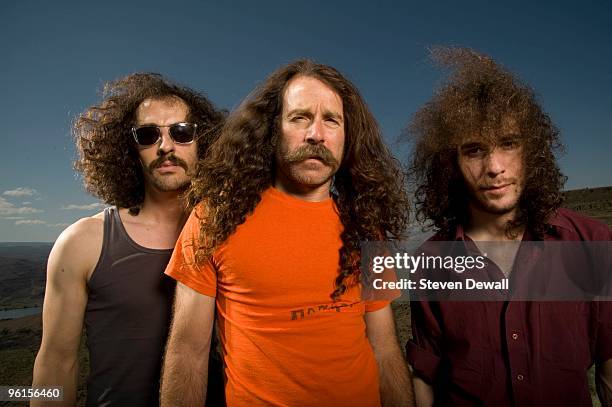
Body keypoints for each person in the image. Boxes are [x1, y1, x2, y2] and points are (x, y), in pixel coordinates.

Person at [160, 59, 415, 406]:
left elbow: (385, 349)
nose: (316, 134)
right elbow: (188, 350)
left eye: (332, 120)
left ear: (347, 135)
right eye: (300, 117)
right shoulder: (215, 217)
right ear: (273, 128)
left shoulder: (365, 226)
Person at [405, 47, 612, 406]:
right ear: (450, 164)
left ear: (531, 151)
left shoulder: (591, 241)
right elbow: (424, 377)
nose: (495, 166)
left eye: (509, 143)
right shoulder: (430, 262)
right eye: (473, 150)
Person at [32, 73, 225, 406]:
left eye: (181, 132)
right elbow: (55, 363)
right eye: (148, 135)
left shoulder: (226, 235)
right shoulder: (82, 242)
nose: (166, 146)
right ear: (131, 149)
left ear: (202, 143)